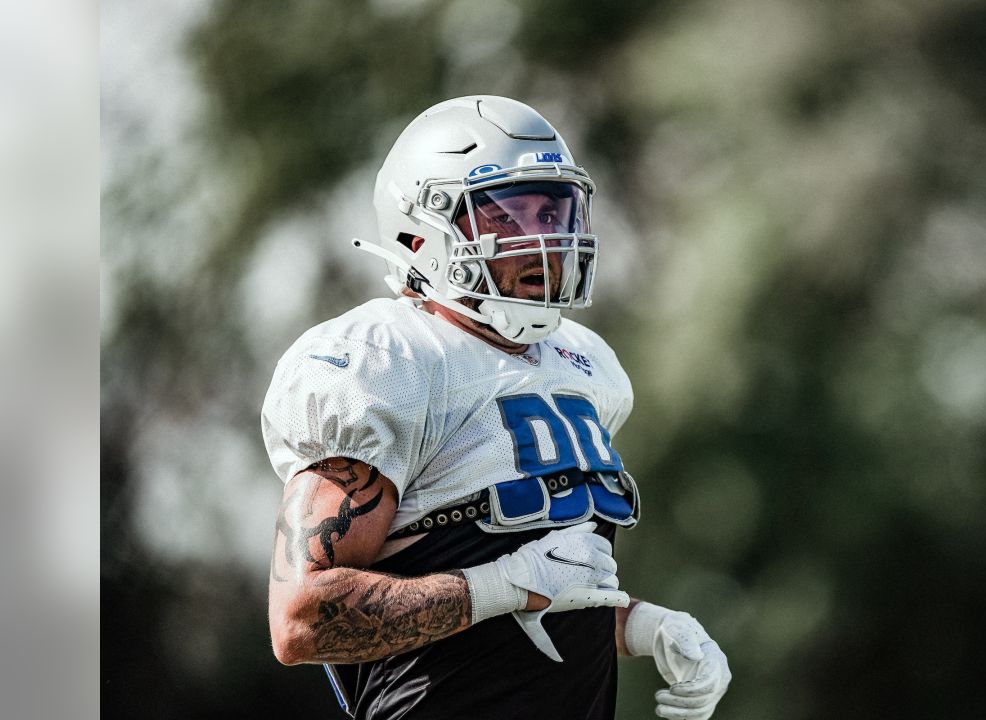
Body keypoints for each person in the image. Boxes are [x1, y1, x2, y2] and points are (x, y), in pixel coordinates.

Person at [261, 96, 731, 720]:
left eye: (551, 211)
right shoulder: (389, 360)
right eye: (509, 215)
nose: (542, 236)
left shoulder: (582, 366)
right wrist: (504, 585)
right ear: (420, 229)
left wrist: (644, 626)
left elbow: (546, 591)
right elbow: (303, 620)